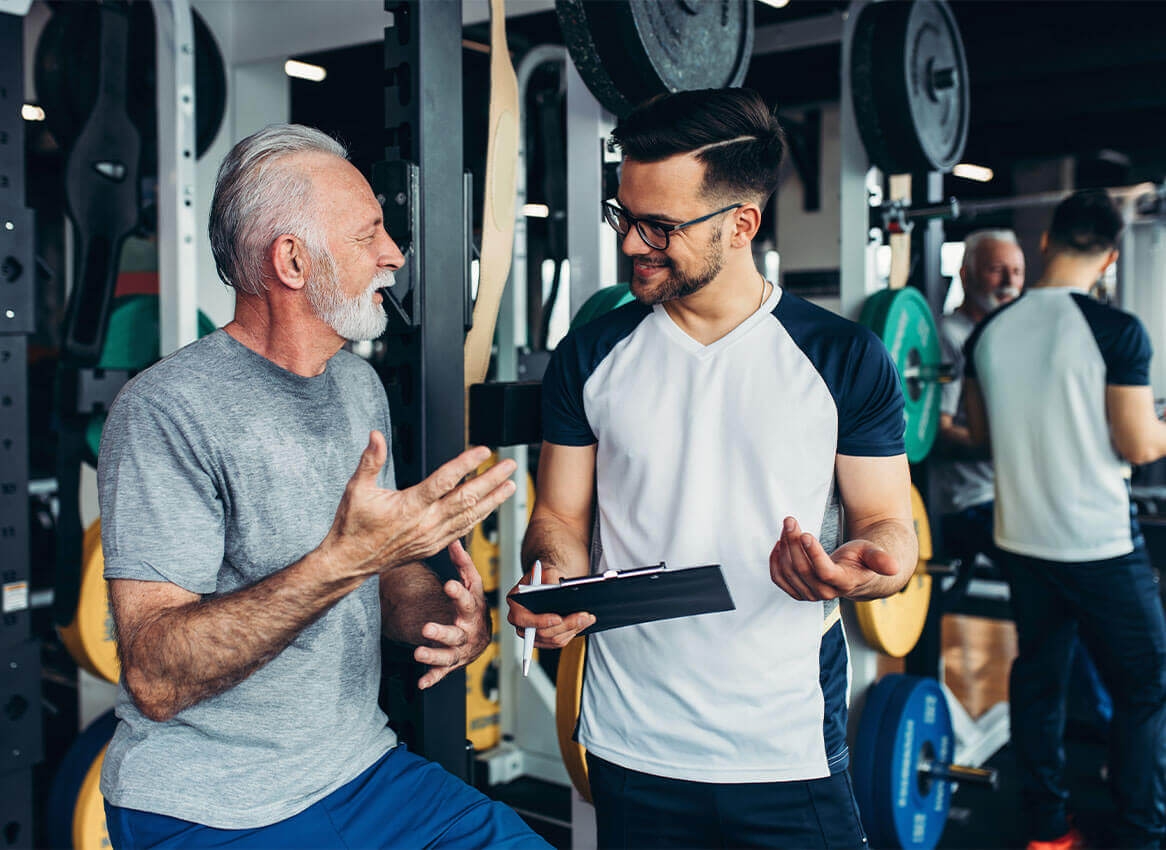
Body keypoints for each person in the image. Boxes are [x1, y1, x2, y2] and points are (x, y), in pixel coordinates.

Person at [96, 124, 551, 850]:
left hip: (361, 771)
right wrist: (343, 561)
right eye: (370, 233)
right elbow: (155, 674)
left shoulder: (356, 385)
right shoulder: (166, 411)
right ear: (294, 260)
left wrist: (449, 619)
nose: (394, 255)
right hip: (211, 808)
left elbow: (384, 567)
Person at [507, 88, 919, 849]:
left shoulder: (841, 359)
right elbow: (560, 520)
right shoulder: (592, 356)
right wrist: (550, 577)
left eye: (659, 226)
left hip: (784, 742)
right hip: (632, 741)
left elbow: (889, 529)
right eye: (623, 216)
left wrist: (868, 568)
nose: (632, 244)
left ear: (742, 224)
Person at [964, 190, 1166, 850]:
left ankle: (1046, 826)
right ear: (1109, 257)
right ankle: (1140, 833)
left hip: (1021, 539)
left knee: (1041, 679)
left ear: (1045, 241)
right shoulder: (1116, 329)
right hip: (1099, 544)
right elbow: (1138, 446)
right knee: (1145, 687)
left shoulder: (991, 330)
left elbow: (985, 434)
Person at [932, 229, 1024, 575]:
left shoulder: (1012, 336)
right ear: (966, 276)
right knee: (1041, 571)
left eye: (1016, 272)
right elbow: (938, 433)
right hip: (968, 497)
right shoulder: (950, 337)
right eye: (996, 270)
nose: (1008, 282)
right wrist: (1010, 447)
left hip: (1011, 491)